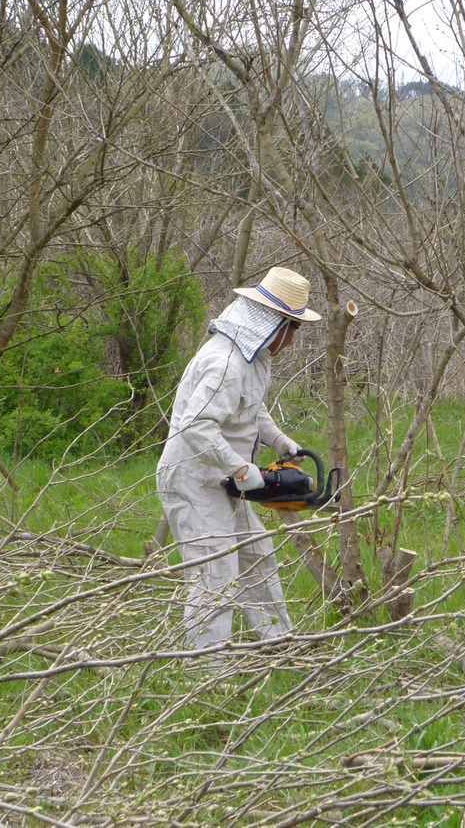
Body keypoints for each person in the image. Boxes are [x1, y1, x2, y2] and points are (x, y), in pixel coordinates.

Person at [156, 266, 321, 650]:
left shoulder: (253, 357)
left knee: (257, 555)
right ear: (273, 322)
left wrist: (277, 438)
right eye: (294, 328)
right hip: (193, 479)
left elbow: (250, 407)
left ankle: (280, 644)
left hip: (224, 479)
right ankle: (207, 669)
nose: (293, 338)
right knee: (215, 574)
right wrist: (242, 467)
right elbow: (196, 426)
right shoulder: (225, 362)